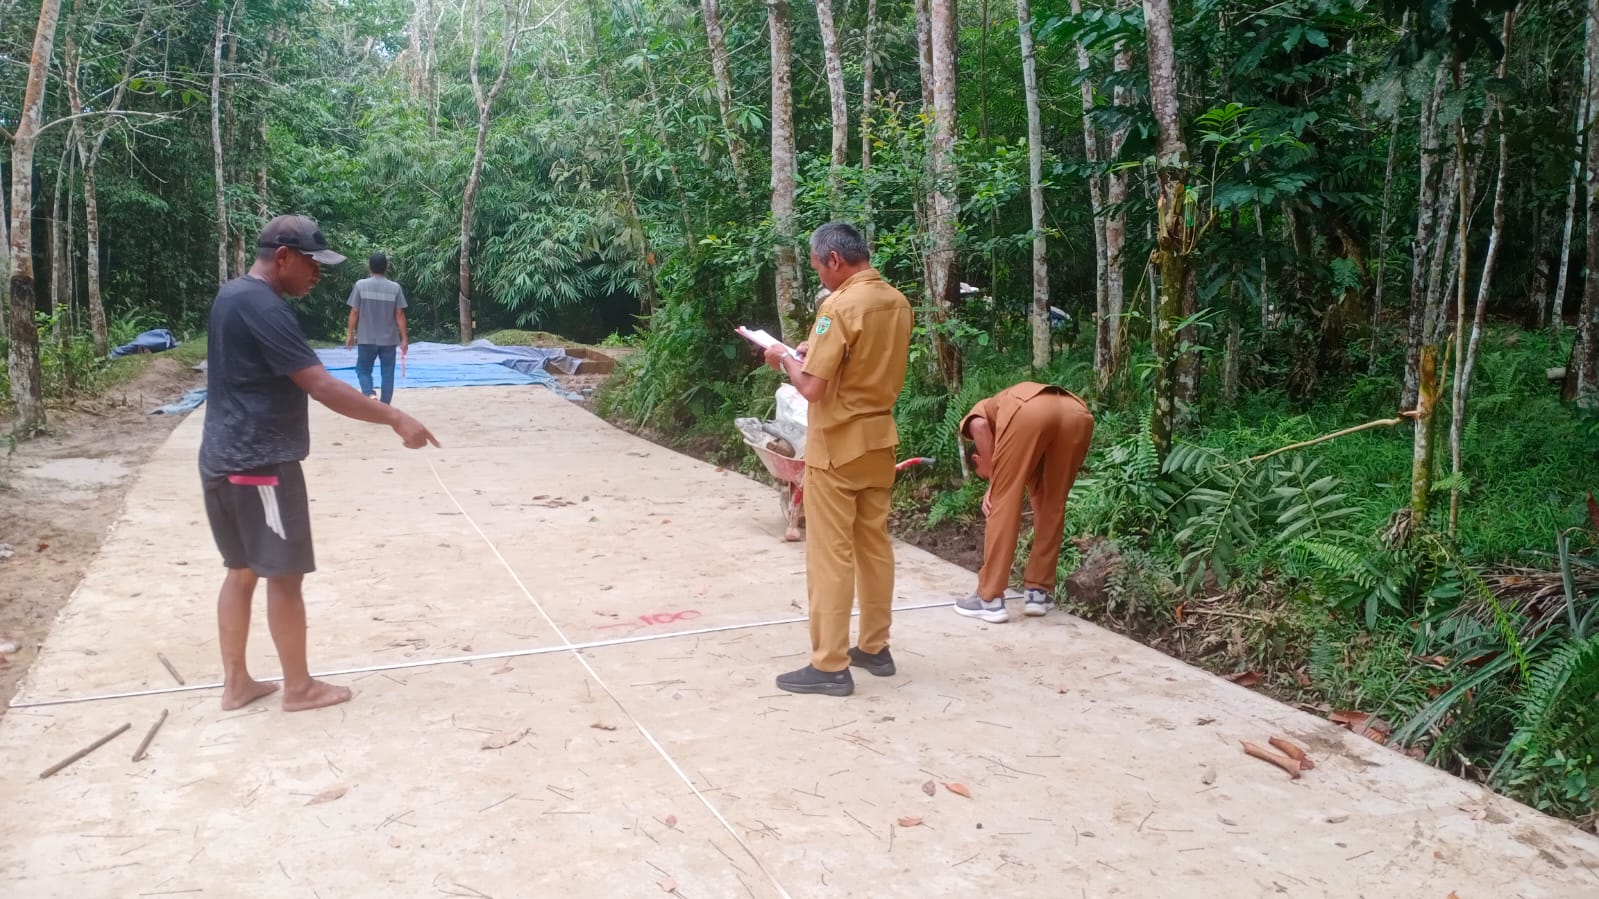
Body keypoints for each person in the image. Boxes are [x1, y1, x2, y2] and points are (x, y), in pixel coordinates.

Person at [200, 215, 439, 712]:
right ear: (282, 257)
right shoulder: (265, 307)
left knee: (240, 570)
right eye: (312, 265)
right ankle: (299, 687)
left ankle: (237, 683)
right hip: (259, 462)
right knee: (283, 575)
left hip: (223, 456)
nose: (317, 275)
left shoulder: (232, 295)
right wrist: (395, 417)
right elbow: (323, 386)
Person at [763, 222, 913, 696]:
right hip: (879, 440)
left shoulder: (839, 305)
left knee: (830, 554)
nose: (820, 278)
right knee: (873, 544)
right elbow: (862, 360)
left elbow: (812, 387)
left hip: (838, 446)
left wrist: (783, 358)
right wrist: (811, 351)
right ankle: (875, 646)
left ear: (834, 260)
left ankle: (829, 664)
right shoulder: (897, 301)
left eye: (817, 267)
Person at [953, 383, 1094, 623]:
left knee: (1004, 497)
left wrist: (994, 483)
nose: (986, 477)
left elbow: (979, 424)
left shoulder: (985, 411)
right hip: (1077, 413)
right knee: (1053, 502)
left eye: (982, 474)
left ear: (977, 458)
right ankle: (1038, 593)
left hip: (1029, 413)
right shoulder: (1017, 437)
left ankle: (989, 599)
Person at [344, 252, 409, 404]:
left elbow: (354, 311)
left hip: (367, 338)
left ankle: (369, 393)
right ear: (387, 267)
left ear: (369, 266)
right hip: (389, 340)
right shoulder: (395, 288)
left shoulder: (361, 285)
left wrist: (350, 334)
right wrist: (404, 338)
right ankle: (385, 405)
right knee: (387, 374)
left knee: (363, 369)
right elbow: (399, 314)